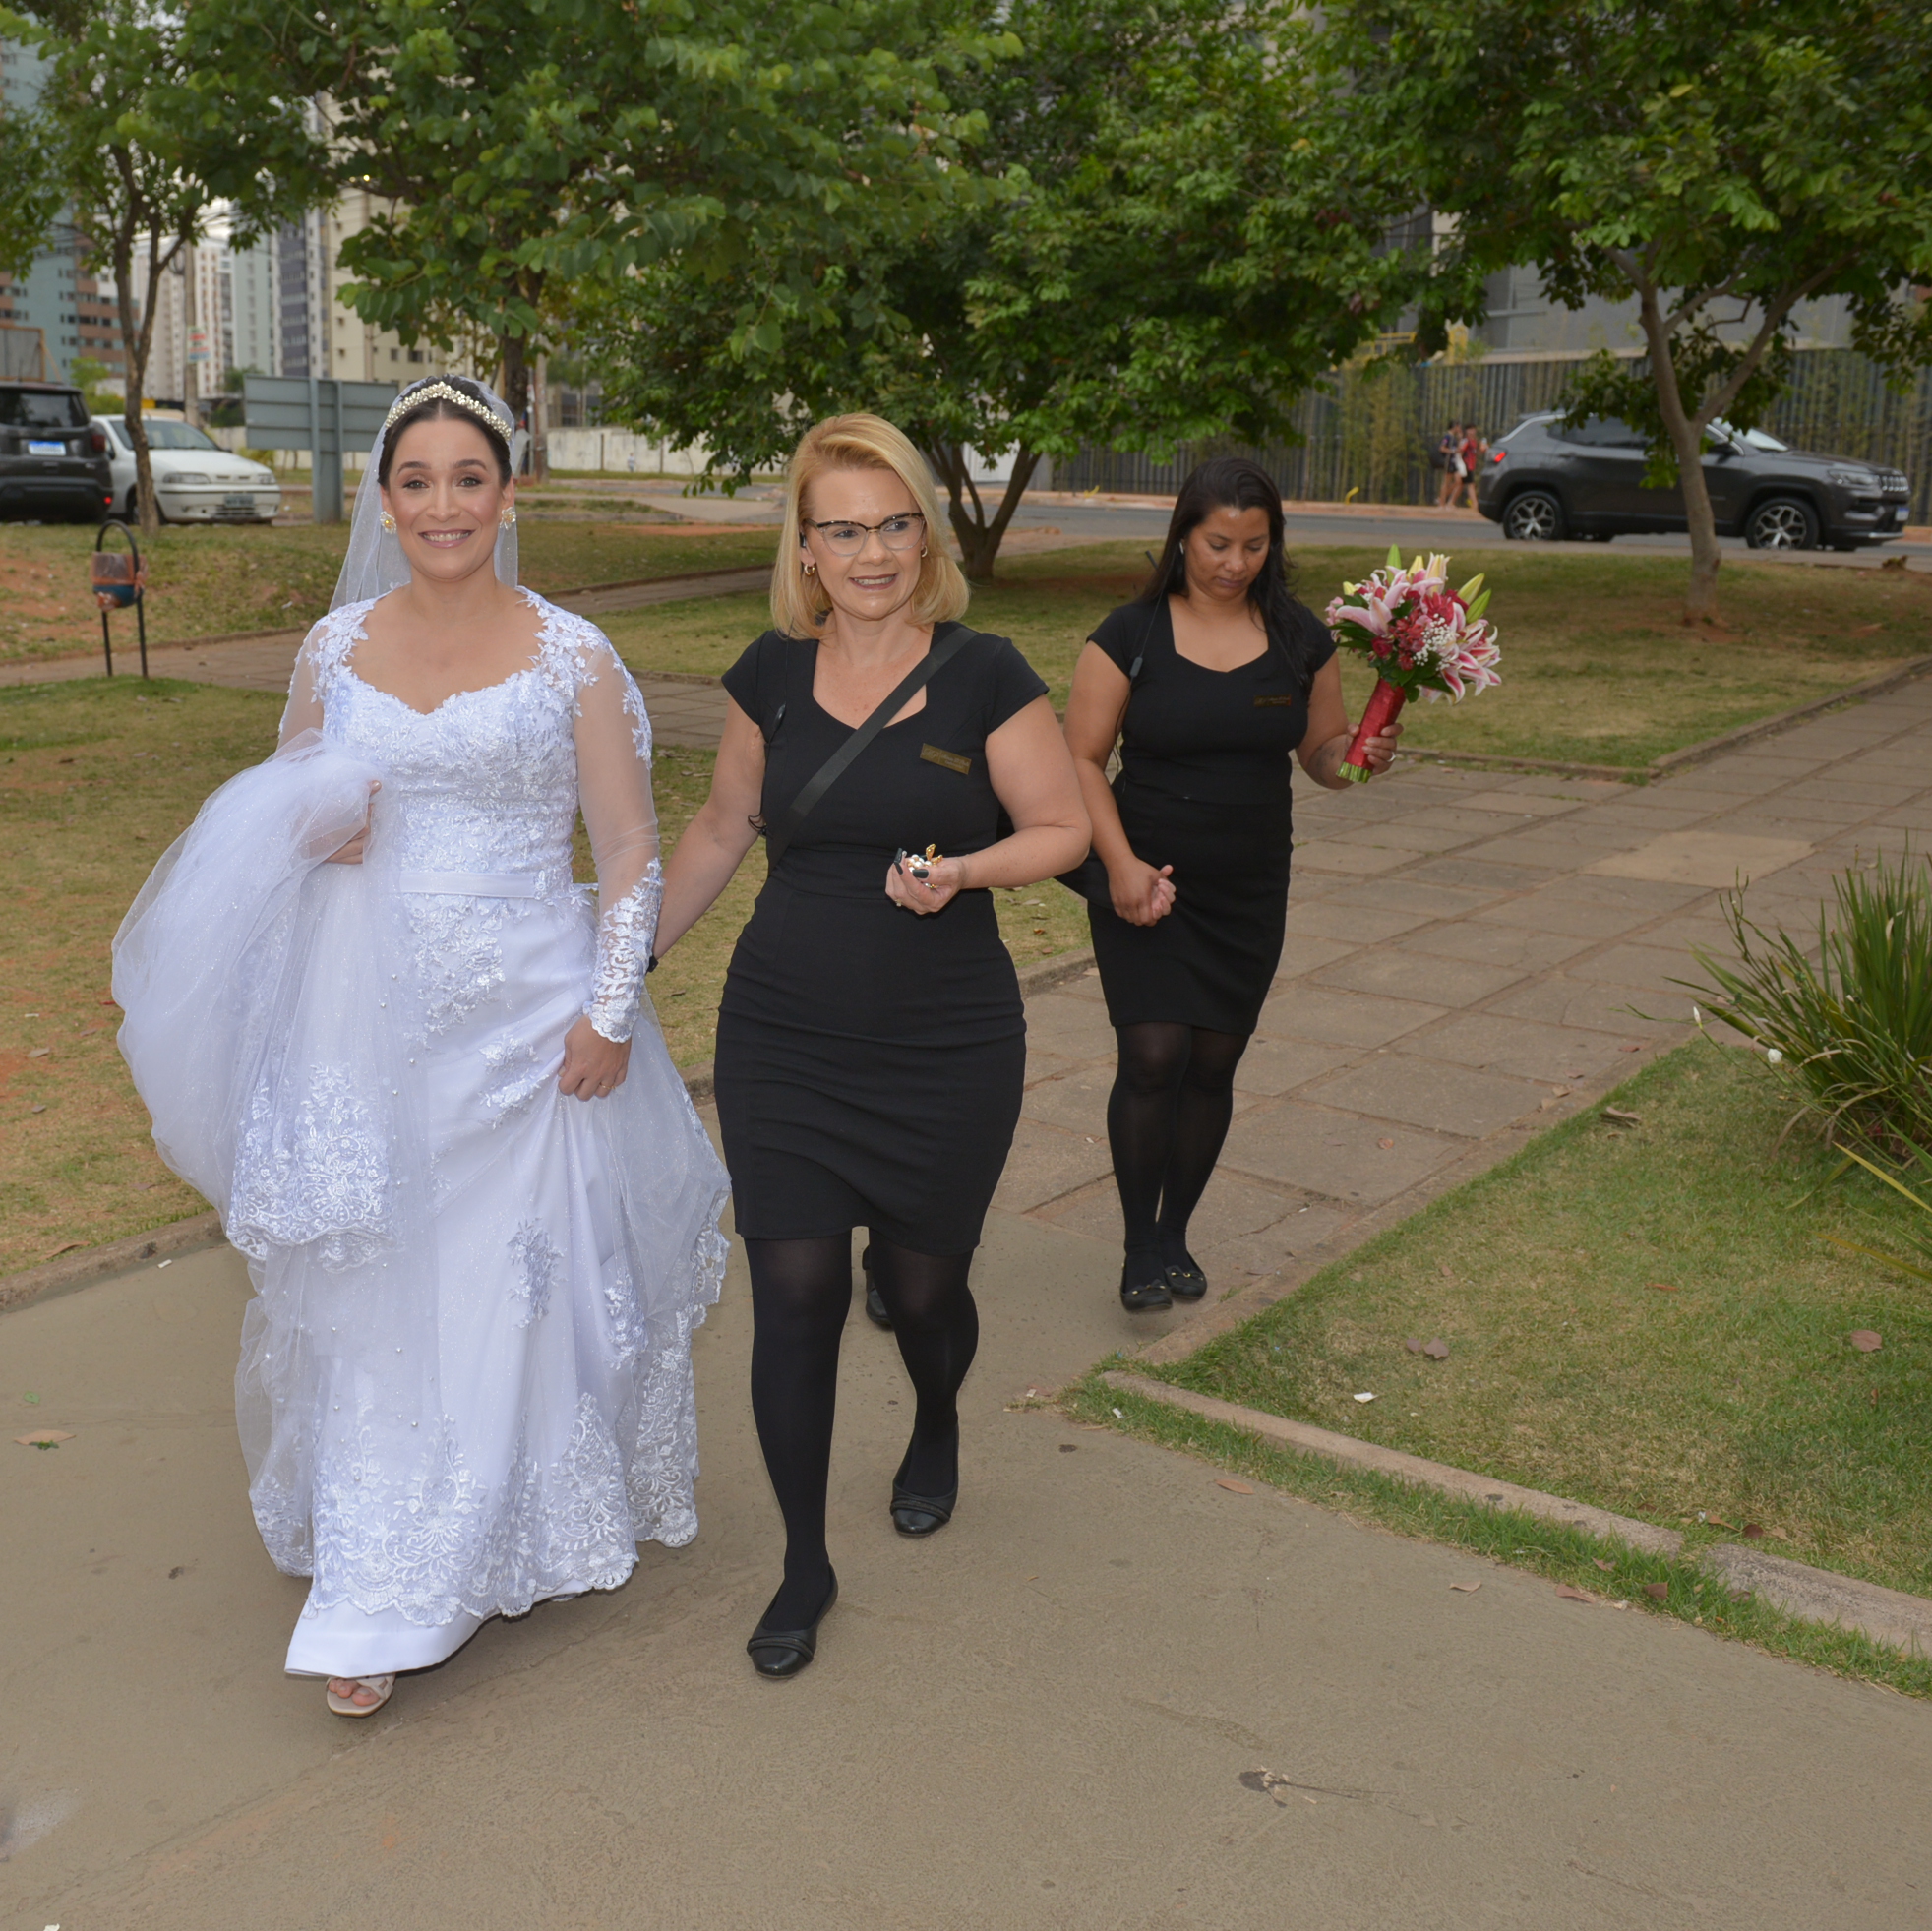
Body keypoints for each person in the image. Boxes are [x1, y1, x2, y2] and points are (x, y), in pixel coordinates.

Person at [111, 376, 729, 1719]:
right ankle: (381, 1581)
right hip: (370, 1026)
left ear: (507, 495)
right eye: (416, 481)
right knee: (380, 1291)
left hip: (532, 1024)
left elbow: (628, 845)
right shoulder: (333, 650)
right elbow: (280, 809)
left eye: (468, 478)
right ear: (382, 503)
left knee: (511, 1292)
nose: (443, 504)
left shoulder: (574, 656)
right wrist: (317, 829)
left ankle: (469, 1549)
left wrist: (608, 1009)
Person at [654, 413, 1087, 1680]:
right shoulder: (770, 675)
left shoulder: (985, 673)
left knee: (919, 1290)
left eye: (894, 524)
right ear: (804, 546)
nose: (873, 552)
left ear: (925, 534)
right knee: (792, 1291)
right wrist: (625, 961)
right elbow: (722, 827)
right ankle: (804, 1562)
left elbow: (1059, 826)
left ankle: (936, 1417)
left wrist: (963, 870)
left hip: (944, 1041)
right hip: (782, 1029)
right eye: (842, 530)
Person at [1061, 455, 1397, 1317]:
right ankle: (1139, 1246)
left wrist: (1360, 754)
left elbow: (1321, 755)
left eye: (1255, 545)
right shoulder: (1128, 635)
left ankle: (1176, 1234)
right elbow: (1082, 761)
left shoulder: (1300, 638)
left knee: (1213, 1063)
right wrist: (1120, 865)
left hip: (1248, 883)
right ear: (1183, 537)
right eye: (1218, 543)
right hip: (1150, 879)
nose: (1235, 563)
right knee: (1153, 1056)